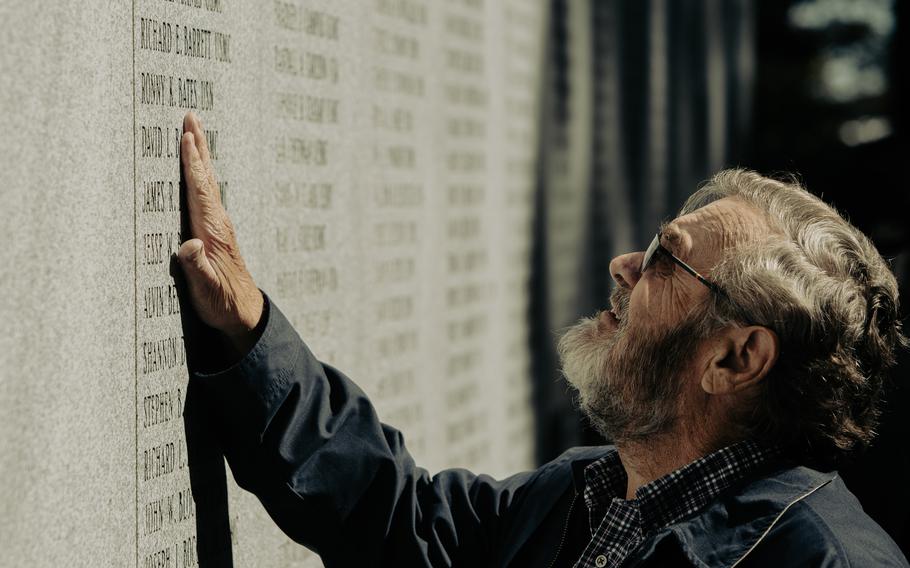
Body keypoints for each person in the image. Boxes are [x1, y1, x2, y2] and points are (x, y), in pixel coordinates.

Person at [176, 111, 909, 566]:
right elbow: (401, 522)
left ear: (734, 358)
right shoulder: (587, 494)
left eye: (666, 258)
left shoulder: (826, 562)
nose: (624, 265)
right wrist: (249, 334)